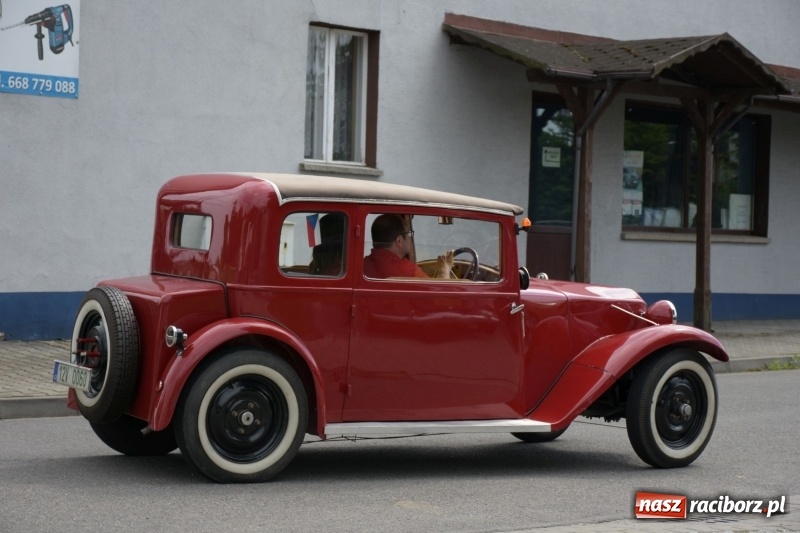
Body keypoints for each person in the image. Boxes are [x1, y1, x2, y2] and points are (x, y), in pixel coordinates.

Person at [363, 214, 454, 279]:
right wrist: (443, 270)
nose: (410, 237)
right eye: (409, 233)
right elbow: (438, 297)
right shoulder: (408, 271)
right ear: (399, 241)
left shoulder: (363, 265)